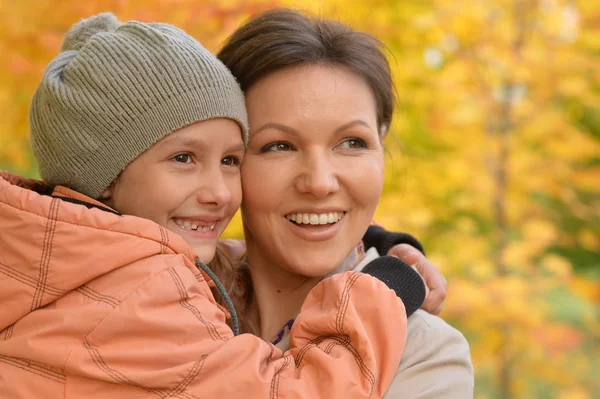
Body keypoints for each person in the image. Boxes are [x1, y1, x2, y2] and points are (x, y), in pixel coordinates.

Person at [0, 13, 424, 398]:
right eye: (183, 158)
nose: (219, 192)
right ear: (105, 178)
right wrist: (384, 288)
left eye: (229, 160)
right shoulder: (145, 292)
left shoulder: (50, 257)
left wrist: (376, 242)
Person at [217, 8, 474, 398]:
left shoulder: (423, 355)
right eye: (279, 146)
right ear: (228, 160)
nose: (319, 183)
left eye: (352, 143)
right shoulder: (168, 298)